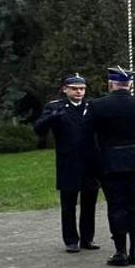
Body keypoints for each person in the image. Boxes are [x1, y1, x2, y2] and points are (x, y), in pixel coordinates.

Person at [92, 66, 135, 267]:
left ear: (111, 84)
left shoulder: (98, 105)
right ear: (129, 85)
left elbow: (89, 131)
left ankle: (120, 251)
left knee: (116, 206)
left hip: (111, 160)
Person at [32, 74, 99, 253]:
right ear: (65, 89)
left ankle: (87, 238)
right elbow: (38, 128)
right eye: (75, 88)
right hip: (68, 161)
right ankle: (71, 240)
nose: (79, 92)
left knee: (89, 203)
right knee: (68, 203)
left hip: (90, 162)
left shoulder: (91, 107)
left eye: (82, 89)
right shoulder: (55, 107)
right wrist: (51, 118)